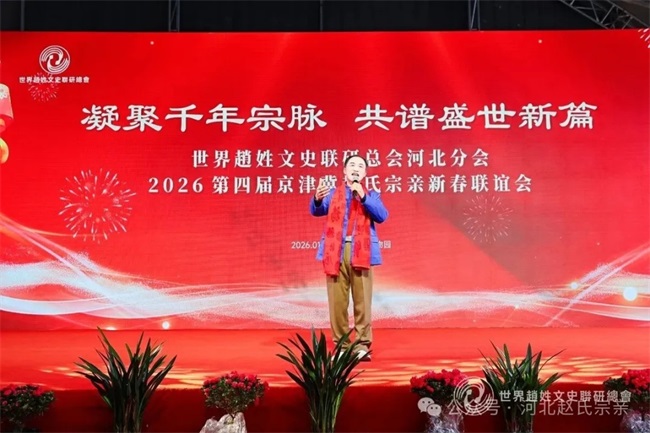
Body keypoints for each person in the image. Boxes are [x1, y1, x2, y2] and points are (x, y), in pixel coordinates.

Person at [310, 154, 389, 361]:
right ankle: (342, 346)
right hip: (335, 251)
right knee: (338, 302)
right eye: (352, 165)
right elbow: (317, 210)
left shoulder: (371, 195)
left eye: (360, 166)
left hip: (361, 251)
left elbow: (382, 215)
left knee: (362, 300)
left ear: (364, 173)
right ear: (344, 171)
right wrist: (317, 198)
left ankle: (362, 344)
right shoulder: (332, 194)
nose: (355, 168)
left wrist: (362, 196)